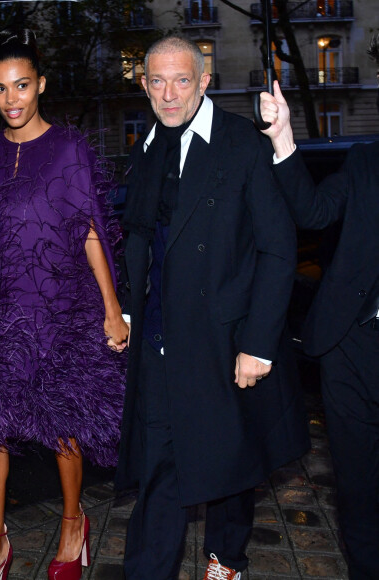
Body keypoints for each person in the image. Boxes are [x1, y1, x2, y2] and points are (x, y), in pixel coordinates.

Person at [0, 28, 128, 580]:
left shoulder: (69, 147)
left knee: (64, 423)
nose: (12, 99)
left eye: (22, 86)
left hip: (59, 305)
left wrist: (110, 308)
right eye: (1, 89)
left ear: (41, 86)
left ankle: (73, 527)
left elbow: (90, 230)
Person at [114, 36, 310, 580]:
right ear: (145, 85)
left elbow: (278, 247)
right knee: (160, 468)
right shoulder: (145, 147)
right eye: (157, 81)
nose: (169, 93)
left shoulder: (240, 144)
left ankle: (226, 560)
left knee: (226, 464)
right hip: (158, 341)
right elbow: (139, 241)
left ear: (204, 82)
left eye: (181, 80)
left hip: (224, 341)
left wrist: (259, 344)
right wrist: (128, 312)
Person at [260, 79, 379, 580]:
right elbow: (312, 211)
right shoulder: (366, 163)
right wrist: (283, 138)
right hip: (353, 344)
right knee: (358, 486)